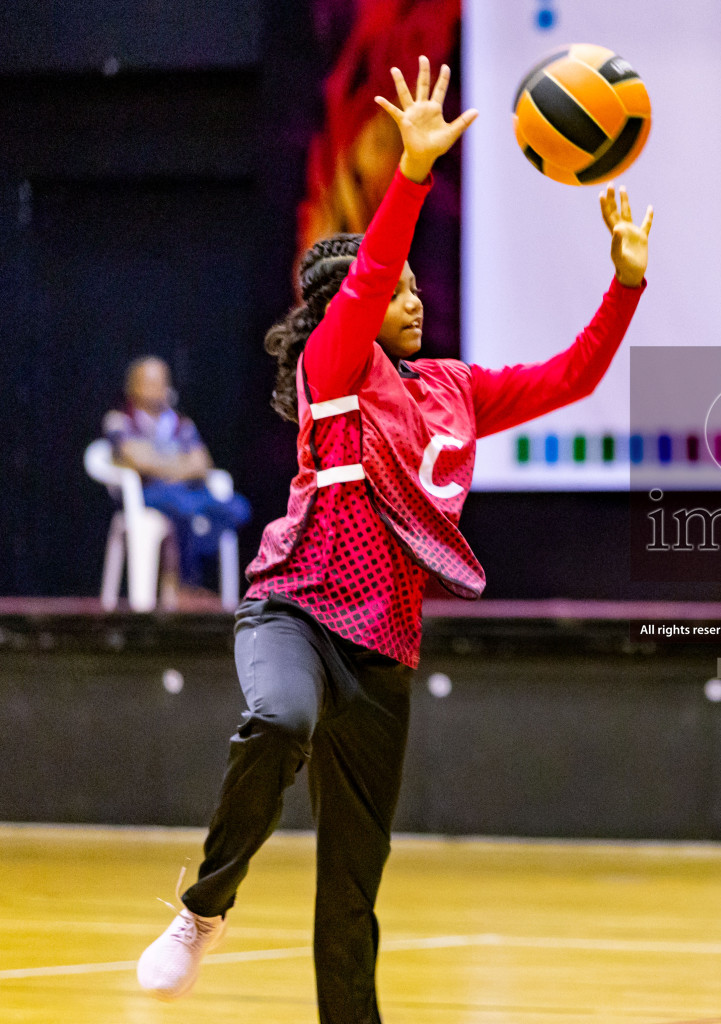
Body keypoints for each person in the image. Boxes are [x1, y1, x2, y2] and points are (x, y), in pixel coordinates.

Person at [135, 57, 652, 1022]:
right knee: (280, 722)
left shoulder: (452, 390)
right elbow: (368, 275)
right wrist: (411, 174)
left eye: (420, 289)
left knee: (354, 887)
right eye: (398, 290)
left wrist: (624, 285)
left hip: (385, 646)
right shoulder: (337, 365)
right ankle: (204, 908)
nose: (414, 300)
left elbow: (569, 380)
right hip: (294, 607)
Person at [103, 355, 251, 603]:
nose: (159, 388)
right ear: (134, 386)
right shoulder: (120, 420)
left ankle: (188, 586)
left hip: (188, 492)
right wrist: (177, 465)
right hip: (149, 494)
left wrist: (161, 465)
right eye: (150, 382)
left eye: (162, 381)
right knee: (183, 509)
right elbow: (135, 458)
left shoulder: (179, 423)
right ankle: (185, 587)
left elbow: (201, 462)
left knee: (237, 508)